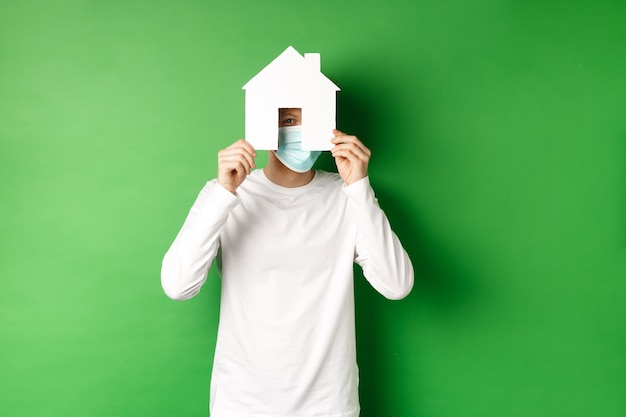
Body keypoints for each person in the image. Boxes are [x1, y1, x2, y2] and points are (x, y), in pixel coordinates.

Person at [161, 108, 414, 417]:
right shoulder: (225, 194)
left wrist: (359, 189)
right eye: (290, 120)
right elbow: (178, 285)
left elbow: (397, 285)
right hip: (242, 404)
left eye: (312, 116)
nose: (302, 131)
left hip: (328, 405)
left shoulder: (345, 196)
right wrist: (224, 193)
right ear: (263, 122)